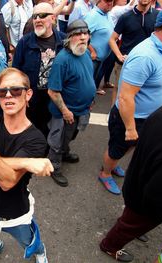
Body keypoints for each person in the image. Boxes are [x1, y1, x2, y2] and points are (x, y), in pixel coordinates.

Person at [99, 1, 162, 195]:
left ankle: (113, 165)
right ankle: (105, 172)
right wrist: (130, 128)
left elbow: (156, 70)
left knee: (129, 146)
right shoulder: (145, 56)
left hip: (147, 118)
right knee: (117, 148)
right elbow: (125, 97)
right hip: (131, 118)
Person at [0, 67, 53, 263]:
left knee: (28, 241)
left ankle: (40, 251)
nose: (8, 95)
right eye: (1, 91)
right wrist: (24, 162)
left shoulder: (36, 139)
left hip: (15, 211)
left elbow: (7, 181)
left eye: (15, 90)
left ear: (28, 94)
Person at [99, 97, 162, 262]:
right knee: (129, 225)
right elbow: (158, 196)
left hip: (138, 178)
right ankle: (110, 246)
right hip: (146, 203)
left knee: (129, 220)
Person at [46, 19, 96, 187]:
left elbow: (87, 77)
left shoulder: (85, 53)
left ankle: (65, 152)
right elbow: (52, 91)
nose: (83, 37)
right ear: (69, 38)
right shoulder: (62, 60)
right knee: (57, 141)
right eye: (77, 34)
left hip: (82, 109)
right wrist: (65, 111)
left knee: (71, 135)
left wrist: (91, 97)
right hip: (65, 112)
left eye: (85, 33)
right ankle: (54, 166)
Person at [13, 3, 66, 137]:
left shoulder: (64, 41)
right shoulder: (25, 42)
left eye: (42, 16)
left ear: (53, 18)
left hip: (57, 96)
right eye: (35, 16)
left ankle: (58, 152)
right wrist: (21, 96)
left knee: (59, 130)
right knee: (34, 130)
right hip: (33, 98)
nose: (37, 20)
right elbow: (16, 72)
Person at [108, 0, 158, 105]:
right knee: (119, 89)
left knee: (141, 92)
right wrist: (119, 56)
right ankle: (112, 114)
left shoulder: (157, 16)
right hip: (125, 63)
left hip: (147, 63)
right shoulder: (126, 17)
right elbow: (112, 39)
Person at [84, 0, 114, 95]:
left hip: (101, 58)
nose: (110, 3)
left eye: (112, 1)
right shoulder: (93, 16)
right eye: (107, 1)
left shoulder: (107, 14)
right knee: (86, 85)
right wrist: (92, 51)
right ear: (99, 1)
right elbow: (82, 35)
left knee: (92, 85)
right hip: (92, 58)